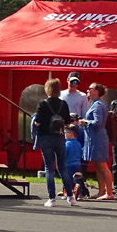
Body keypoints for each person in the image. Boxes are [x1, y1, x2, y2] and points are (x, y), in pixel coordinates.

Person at [34, 78, 71, 207]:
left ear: (47, 89)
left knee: (49, 168)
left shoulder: (42, 104)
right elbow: (68, 121)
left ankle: (52, 199)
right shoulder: (63, 104)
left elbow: (37, 121)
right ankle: (71, 196)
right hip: (60, 137)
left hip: (46, 138)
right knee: (62, 167)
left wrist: (36, 125)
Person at [82, 82, 114, 199]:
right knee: (97, 165)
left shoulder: (98, 105)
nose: (88, 90)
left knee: (102, 165)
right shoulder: (94, 104)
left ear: (96, 92)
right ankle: (101, 191)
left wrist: (85, 122)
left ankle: (109, 193)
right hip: (93, 138)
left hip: (98, 139)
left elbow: (98, 122)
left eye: (90, 89)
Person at [63, 125, 90, 205]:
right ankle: (81, 191)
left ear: (71, 134)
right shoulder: (78, 144)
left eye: (65, 132)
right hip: (77, 164)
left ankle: (69, 193)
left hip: (69, 165)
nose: (64, 134)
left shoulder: (67, 144)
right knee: (78, 178)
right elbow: (81, 153)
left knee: (69, 180)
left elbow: (64, 155)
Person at [61, 72, 89, 143]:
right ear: (67, 80)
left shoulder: (82, 96)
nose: (74, 84)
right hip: (63, 128)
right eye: (72, 81)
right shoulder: (60, 94)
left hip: (76, 129)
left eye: (76, 82)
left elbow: (85, 114)